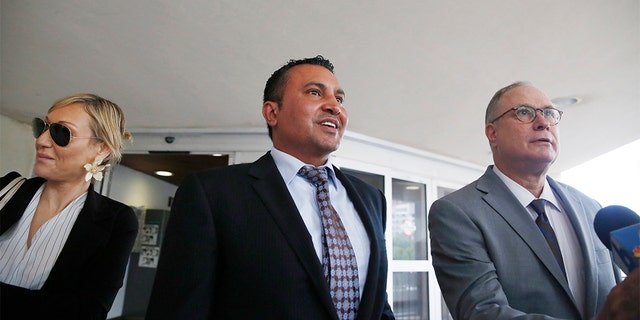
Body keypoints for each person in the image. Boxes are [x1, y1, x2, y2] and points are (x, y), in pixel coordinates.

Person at [146, 56, 395, 320]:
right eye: (314, 92)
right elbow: (180, 308)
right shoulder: (212, 193)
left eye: (340, 99)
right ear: (272, 112)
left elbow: (377, 304)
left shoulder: (371, 199)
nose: (335, 107)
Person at [428, 81, 640, 319]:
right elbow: (482, 313)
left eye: (549, 113)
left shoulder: (592, 208)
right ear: (492, 133)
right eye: (524, 112)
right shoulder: (457, 212)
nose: (543, 122)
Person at [0, 94, 139, 319]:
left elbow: (87, 311)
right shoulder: (5, 190)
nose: (41, 140)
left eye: (61, 132)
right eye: (42, 127)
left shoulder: (116, 221)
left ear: (101, 149)